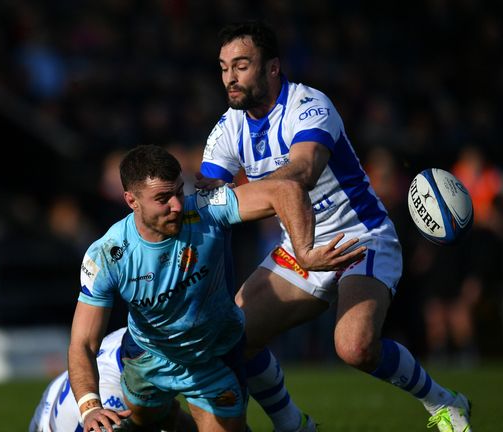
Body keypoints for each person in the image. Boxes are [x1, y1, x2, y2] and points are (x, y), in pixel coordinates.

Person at [199, 21, 473, 432]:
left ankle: (444, 401)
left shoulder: (309, 105)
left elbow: (301, 174)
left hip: (360, 238)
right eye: (223, 68)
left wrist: (236, 201)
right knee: (233, 338)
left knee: (354, 347)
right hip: (301, 249)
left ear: (272, 67)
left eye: (241, 65)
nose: (229, 78)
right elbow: (208, 201)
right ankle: (294, 425)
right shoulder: (228, 129)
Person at [68, 145, 364, 432]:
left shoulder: (208, 208)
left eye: (178, 191)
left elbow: (285, 189)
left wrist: (305, 252)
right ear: (131, 200)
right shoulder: (108, 255)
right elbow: (83, 342)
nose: (176, 206)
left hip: (214, 355)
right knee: (150, 421)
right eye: (162, 198)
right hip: (148, 357)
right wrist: (90, 406)